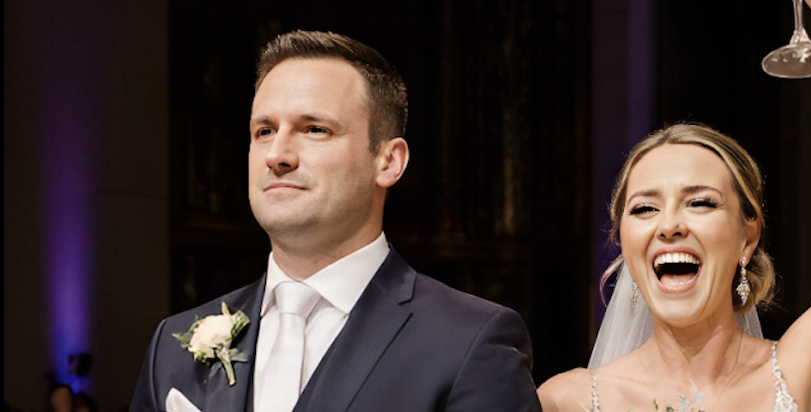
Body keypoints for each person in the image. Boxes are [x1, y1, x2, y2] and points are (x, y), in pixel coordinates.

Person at [537, 0, 811, 410]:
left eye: (700, 202)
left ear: (747, 238)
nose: (669, 225)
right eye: (645, 209)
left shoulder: (805, 371)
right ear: (624, 242)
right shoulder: (566, 401)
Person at [130, 30, 540, 412]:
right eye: (265, 131)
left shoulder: (468, 341)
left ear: (388, 161)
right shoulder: (172, 346)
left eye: (314, 129)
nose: (277, 155)